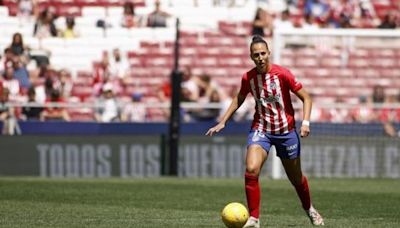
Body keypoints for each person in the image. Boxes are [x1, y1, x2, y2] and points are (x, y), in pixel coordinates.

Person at [206, 35, 324, 227]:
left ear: (269, 53)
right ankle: (254, 218)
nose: (260, 57)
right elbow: (239, 98)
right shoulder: (248, 78)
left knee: (295, 178)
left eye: (262, 53)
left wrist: (306, 123)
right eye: (256, 55)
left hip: (286, 132)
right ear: (251, 57)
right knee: (251, 168)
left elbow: (307, 98)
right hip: (261, 129)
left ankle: (309, 208)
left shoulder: (283, 74)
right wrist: (223, 121)